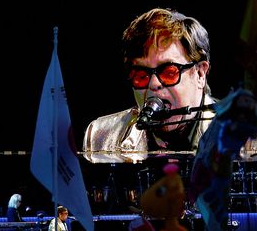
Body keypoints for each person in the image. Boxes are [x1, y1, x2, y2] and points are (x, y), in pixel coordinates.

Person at [82, 8, 215, 163]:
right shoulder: (100, 136)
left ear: (200, 74)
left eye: (169, 72)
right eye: (141, 75)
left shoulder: (245, 138)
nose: (153, 84)